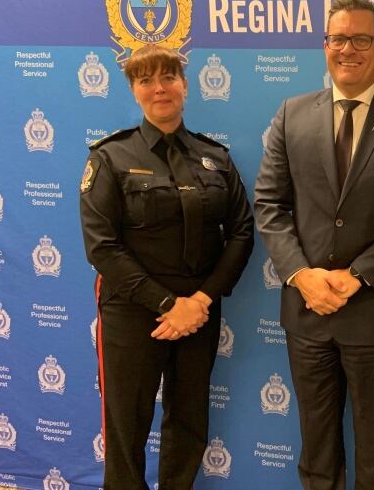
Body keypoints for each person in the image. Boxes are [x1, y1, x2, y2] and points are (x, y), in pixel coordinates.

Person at [254, 0, 374, 490]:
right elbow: (269, 205)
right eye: (339, 38)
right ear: (325, 45)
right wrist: (300, 275)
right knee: (316, 450)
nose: (349, 49)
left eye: (361, 39)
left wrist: (357, 276)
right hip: (307, 314)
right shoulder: (291, 114)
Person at [79, 45, 254, 490]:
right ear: (134, 91)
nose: (159, 88)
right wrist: (165, 303)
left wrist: (198, 301)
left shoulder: (215, 157)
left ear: (185, 85)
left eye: (168, 77)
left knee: (190, 420)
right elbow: (101, 246)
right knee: (127, 427)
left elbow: (241, 233)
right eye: (146, 80)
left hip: (198, 311)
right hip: (134, 311)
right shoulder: (110, 157)